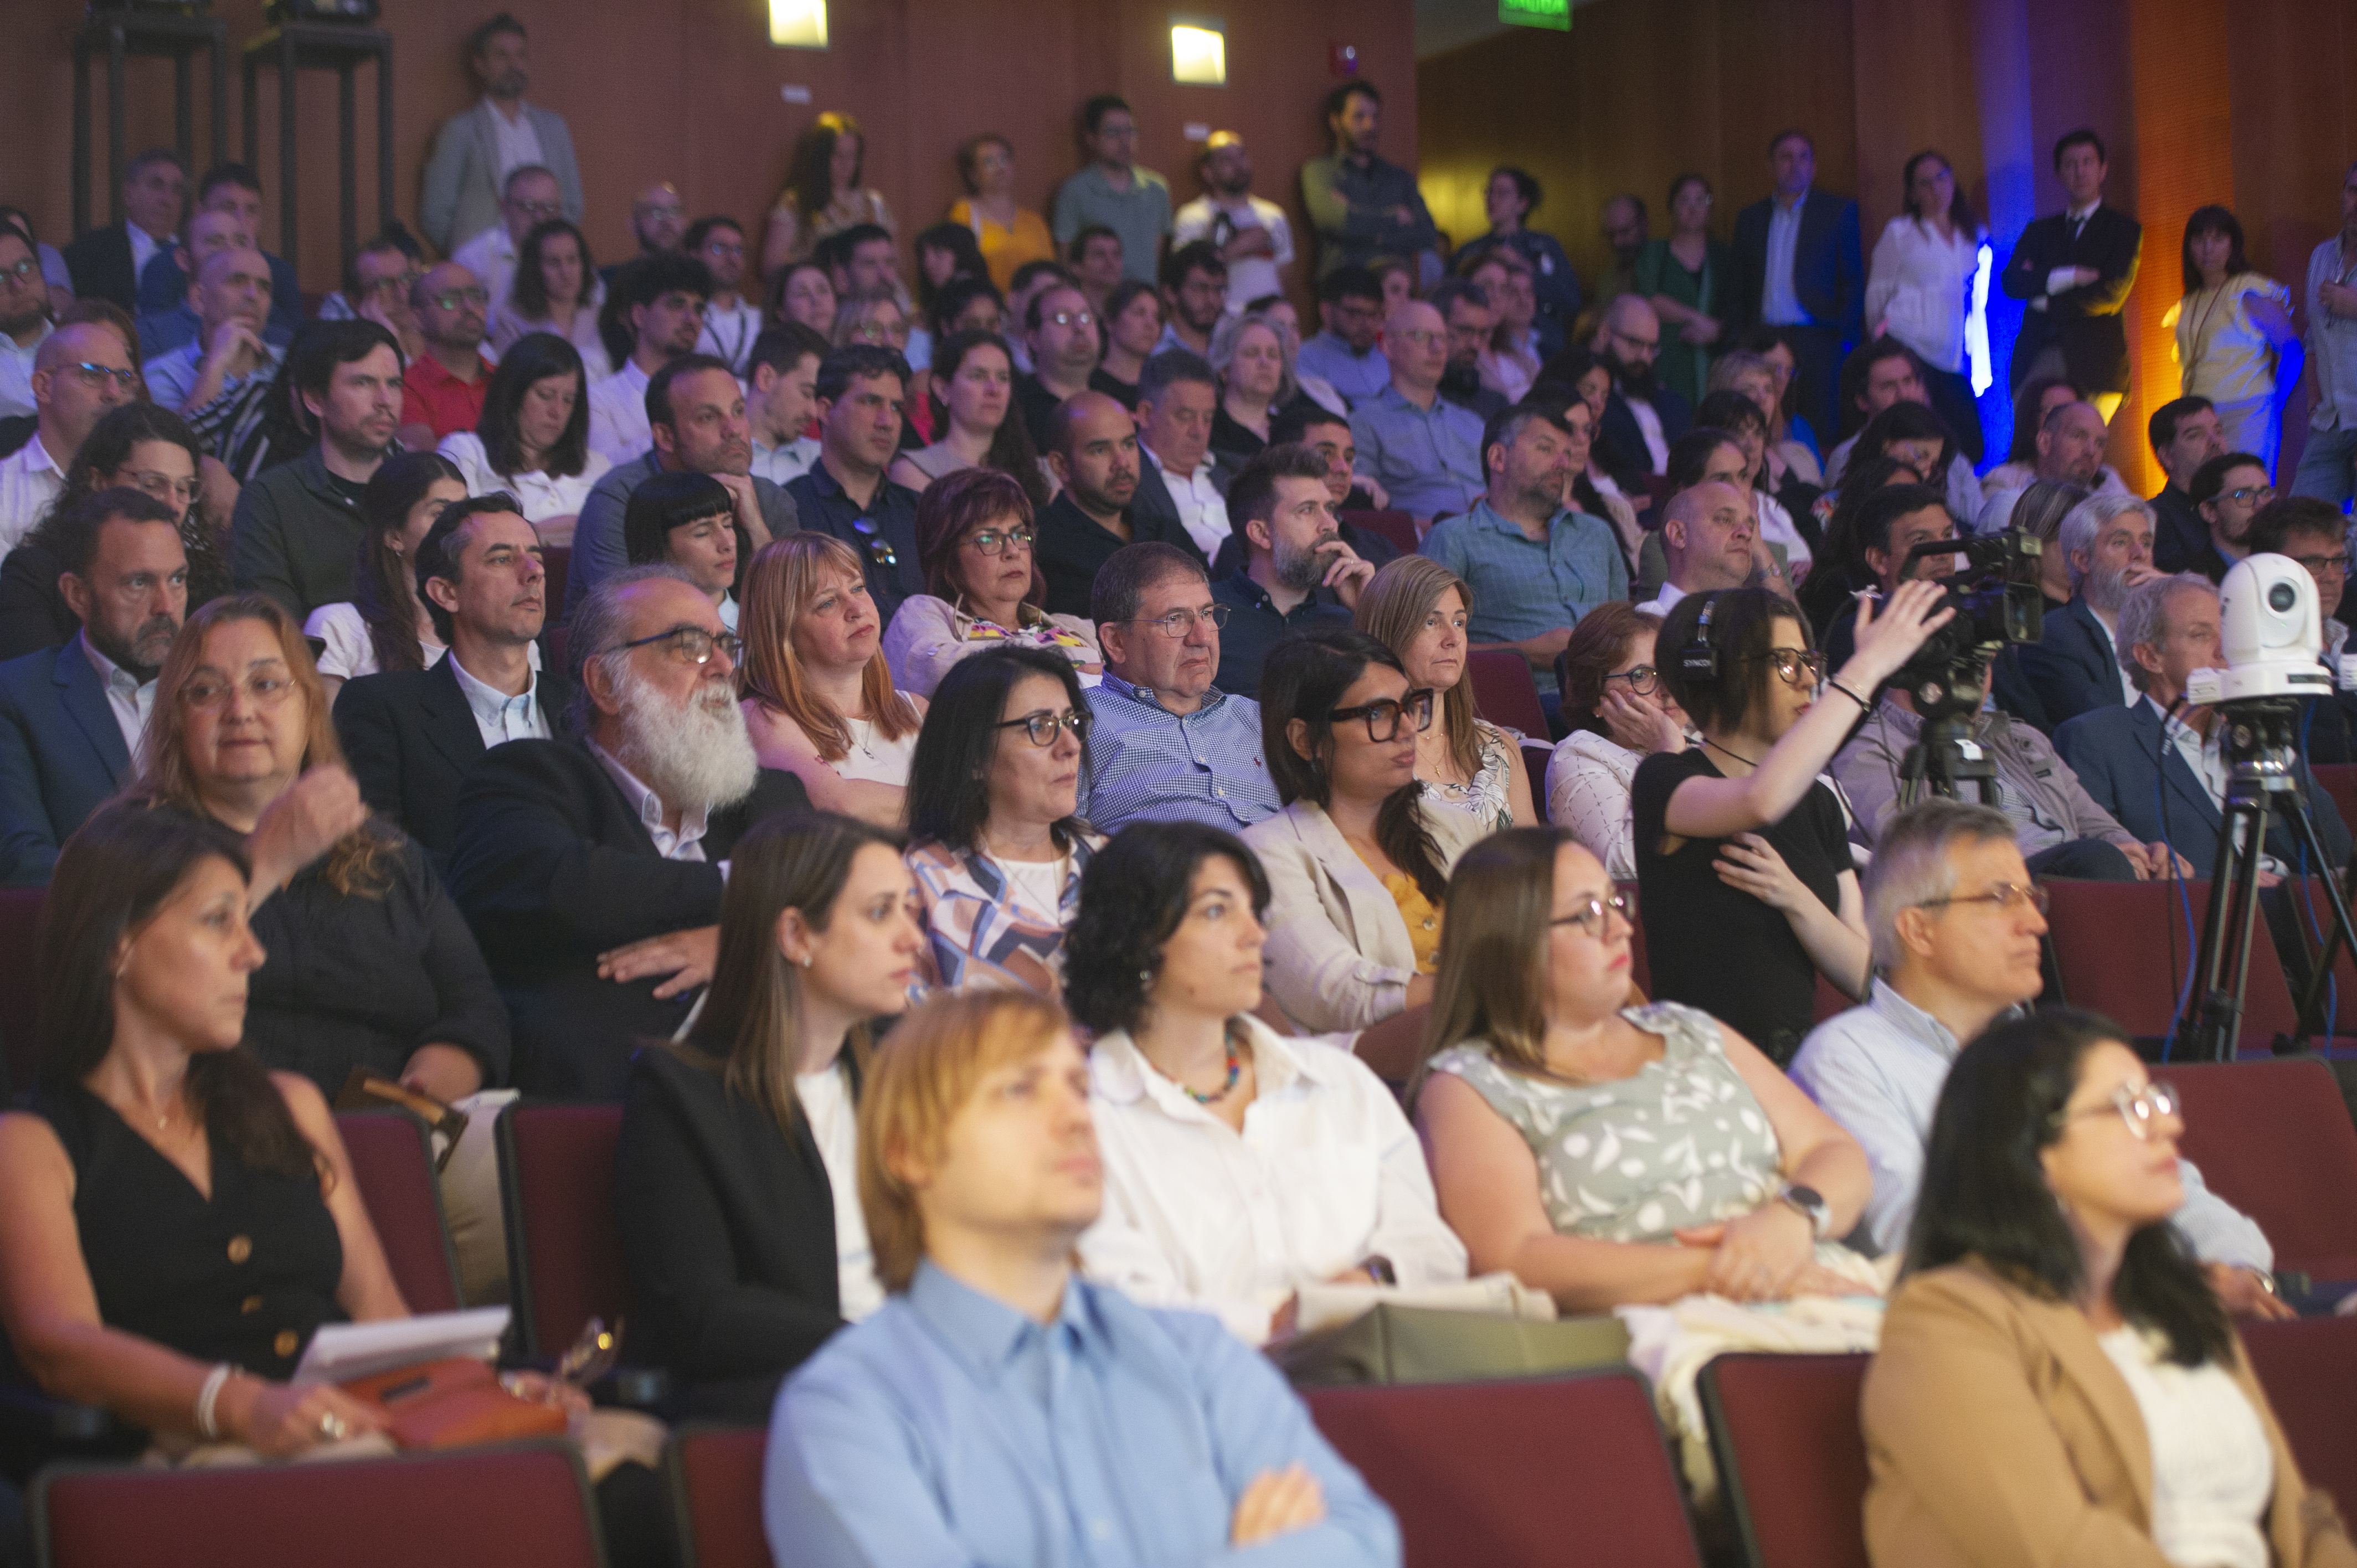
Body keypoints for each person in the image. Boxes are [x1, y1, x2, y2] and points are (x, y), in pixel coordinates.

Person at [761, 986, 1402, 1567]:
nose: (1075, 1117)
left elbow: (1363, 1540)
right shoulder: (847, 1409)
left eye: (1076, 1086)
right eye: (1019, 1089)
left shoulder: (1195, 1354)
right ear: (910, 1151)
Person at [1857, 1009, 2353, 1567]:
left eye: (2158, 1101)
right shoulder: (1946, 1322)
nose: (2167, 1125)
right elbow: (2053, 1548)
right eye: (2128, 1108)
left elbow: (2302, 1515)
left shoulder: (2178, 1303)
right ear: (2034, 1152)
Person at [0, 801, 406, 1458]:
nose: (252, 952)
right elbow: (60, 1349)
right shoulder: (31, 1145)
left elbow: (384, 1321)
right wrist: (241, 1405)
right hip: (182, 1467)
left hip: (350, 1438)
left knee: (592, 1458)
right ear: (118, 945)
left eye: (247, 921)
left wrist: (488, 1396)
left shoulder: (293, 1106)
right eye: (220, 921)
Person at [1789, 802, 2281, 1297]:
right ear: (1919, 929)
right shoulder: (1846, 1058)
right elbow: (1921, 1235)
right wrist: (2158, 1291)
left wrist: (2239, 1272)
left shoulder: (2055, 1049)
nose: (2037, 923)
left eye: (2032, 897)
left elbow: (2177, 1191)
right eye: (2003, 898)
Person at [1413, 827, 1875, 1309]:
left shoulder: (1690, 1028)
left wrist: (1792, 1218)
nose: (1621, 928)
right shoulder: (1469, 1085)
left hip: (1822, 1286)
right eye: (1589, 913)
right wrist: (1735, 1268)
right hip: (1668, 1336)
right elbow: (1515, 1258)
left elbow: (1834, 1150)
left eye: (1614, 905)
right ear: (1511, 942)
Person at [1062, 817, 1464, 1342]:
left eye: (1251, 911)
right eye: (1216, 912)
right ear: (1136, 941)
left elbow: (1433, 1249)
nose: (1254, 934)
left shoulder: (1340, 1084)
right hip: (1200, 1402)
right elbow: (1123, 1302)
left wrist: (1373, 1278)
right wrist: (1281, 1323)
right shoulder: (1085, 1117)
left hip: (1378, 1376)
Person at [126, 590, 508, 1099]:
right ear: (175, 719)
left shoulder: (385, 853)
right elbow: (130, 1006)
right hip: (212, 1128)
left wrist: (424, 1092)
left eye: (265, 685)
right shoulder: (127, 847)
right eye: (206, 692)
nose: (240, 710)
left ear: (309, 708)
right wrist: (268, 855)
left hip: (391, 1137)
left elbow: (476, 1007)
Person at [447, 566, 812, 1097]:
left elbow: (846, 898)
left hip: (783, 1084)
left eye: (725, 645)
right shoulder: (526, 778)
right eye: (690, 646)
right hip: (617, 1097)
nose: (724, 667)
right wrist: (752, 896)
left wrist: (742, 947)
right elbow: (556, 885)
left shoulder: (769, 796)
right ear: (605, 685)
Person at [615, 811, 919, 1421]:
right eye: (881, 912)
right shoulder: (680, 1095)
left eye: (910, 909)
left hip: (918, 1381)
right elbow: (700, 1315)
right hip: (789, 1401)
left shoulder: (894, 1077)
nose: (912, 938)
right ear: (796, 936)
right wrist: (880, 1351)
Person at [1635, 581, 1953, 1062]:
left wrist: (1794, 898)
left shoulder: (1818, 804)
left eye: (1811, 663)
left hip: (1798, 1063)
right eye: (1786, 663)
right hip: (1704, 1065)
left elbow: (1868, 977)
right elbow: (1759, 801)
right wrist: (1864, 670)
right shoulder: (1665, 779)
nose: (1808, 680)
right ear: (1719, 673)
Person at [1239, 628, 1485, 1033]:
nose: (1407, 728)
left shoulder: (1459, 827)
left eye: (1409, 706)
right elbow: (1335, 995)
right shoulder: (1266, 853)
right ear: (1305, 741)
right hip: (1378, 1077)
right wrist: (1500, 990)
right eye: (1377, 713)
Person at [2055, 572, 2352, 878]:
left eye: (2227, 633)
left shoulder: (2255, 734)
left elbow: (2339, 852)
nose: (2223, 650)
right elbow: (2116, 872)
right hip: (2201, 914)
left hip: (2301, 907)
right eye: (2201, 635)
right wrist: (2237, 883)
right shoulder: (2098, 740)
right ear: (2150, 656)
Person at [334, 496, 565, 869]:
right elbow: (378, 855)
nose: (533, 571)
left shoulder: (578, 708)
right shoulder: (384, 709)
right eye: (503, 559)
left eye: (535, 556)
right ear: (446, 593)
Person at [1831, 652, 2177, 883]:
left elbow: (2097, 825)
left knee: (2180, 881)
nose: (1978, 676)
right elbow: (1923, 863)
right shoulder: (1868, 755)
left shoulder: (2021, 738)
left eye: (1984, 662)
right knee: (2097, 863)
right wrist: (2103, 857)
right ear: (1911, 667)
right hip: (2001, 893)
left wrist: (2145, 855)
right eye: (1964, 661)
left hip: (2082, 883)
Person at [0, 488, 185, 886]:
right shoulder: (19, 696)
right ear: (78, 596)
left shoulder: (215, 689)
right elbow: (24, 864)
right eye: (139, 583)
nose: (166, 606)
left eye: (177, 579)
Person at [904, 646, 1103, 994]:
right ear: (974, 757)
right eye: (1041, 727)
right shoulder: (921, 882)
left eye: (1072, 722)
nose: (1071, 745)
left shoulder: (1111, 860)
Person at [1416, 402, 1626, 710]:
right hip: (1517, 704)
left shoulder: (1596, 533)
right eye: (1546, 448)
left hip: (1614, 699)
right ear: (1498, 458)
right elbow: (1421, 647)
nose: (1562, 463)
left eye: (1566, 454)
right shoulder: (1454, 538)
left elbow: (1625, 629)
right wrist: (1525, 653)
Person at [569, 353, 795, 616]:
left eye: (738, 411)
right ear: (665, 437)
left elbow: (796, 614)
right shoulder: (620, 499)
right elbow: (626, 618)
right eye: (708, 417)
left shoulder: (769, 498)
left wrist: (757, 529)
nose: (733, 429)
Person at [1077, 541, 1277, 831]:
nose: (1202, 638)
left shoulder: (1259, 719)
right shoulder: (1079, 724)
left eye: (1207, 614)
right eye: (1175, 619)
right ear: (1116, 642)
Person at [0, 405, 222, 662]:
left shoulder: (206, 585)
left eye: (183, 489)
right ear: (98, 482)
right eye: (152, 484)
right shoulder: (33, 577)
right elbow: (33, 695)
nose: (172, 504)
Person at [739, 534, 925, 826]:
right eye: (827, 603)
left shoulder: (917, 708)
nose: (857, 609)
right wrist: (962, 809)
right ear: (783, 632)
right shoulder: (762, 716)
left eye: (858, 588)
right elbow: (838, 804)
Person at [229, 320, 404, 623]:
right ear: (314, 400)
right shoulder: (270, 500)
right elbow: (276, 628)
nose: (385, 401)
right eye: (363, 383)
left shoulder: (423, 489)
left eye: (394, 384)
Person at [882, 467, 1098, 698]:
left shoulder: (1076, 627)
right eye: (988, 539)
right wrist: (1074, 671)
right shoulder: (922, 614)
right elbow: (947, 673)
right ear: (947, 556)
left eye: (1019, 535)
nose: (1013, 551)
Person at [1727, 131, 1866, 441]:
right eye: (1786, 158)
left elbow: (1853, 280)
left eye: (1804, 158)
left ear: (1814, 167)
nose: (1795, 166)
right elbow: (1737, 286)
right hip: (1763, 337)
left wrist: (1846, 339)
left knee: (1820, 425)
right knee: (1760, 421)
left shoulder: (1835, 212)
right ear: (1771, 167)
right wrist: (1737, 338)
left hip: (1817, 337)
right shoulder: (1750, 218)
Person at [2000, 128, 2143, 422]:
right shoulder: (2039, 231)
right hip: (2038, 354)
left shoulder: (2122, 229)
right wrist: (2072, 276)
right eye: (2070, 164)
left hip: (2096, 362)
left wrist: (2045, 298)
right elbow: (2012, 282)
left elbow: (2110, 294)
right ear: (2058, 173)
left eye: (2088, 162)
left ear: (2103, 170)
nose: (2080, 172)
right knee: (2034, 446)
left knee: (2084, 451)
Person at [1205, 445, 1369, 700]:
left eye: (1329, 509)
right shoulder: (1206, 615)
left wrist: (1371, 610)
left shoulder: (1350, 622)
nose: (1330, 524)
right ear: (1261, 533)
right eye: (1307, 510)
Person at [776, 345, 924, 627]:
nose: (887, 421)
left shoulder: (922, 511)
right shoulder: (789, 509)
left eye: (896, 407)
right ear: (825, 410)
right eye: (871, 402)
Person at [303, 452, 467, 697]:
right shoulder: (339, 627)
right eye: (440, 514)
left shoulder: (488, 626)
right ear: (394, 537)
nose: (460, 529)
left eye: (466, 514)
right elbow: (327, 733)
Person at [1862, 150, 1988, 462]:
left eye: (1941, 177)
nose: (1935, 188)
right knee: (1917, 436)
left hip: (1954, 356)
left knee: (1970, 446)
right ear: (1912, 193)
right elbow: (1877, 294)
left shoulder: (1972, 235)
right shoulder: (1900, 233)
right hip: (1910, 347)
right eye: (1925, 183)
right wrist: (1884, 348)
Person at [420, 13, 581, 255]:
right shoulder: (461, 130)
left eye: (521, 55)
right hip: (486, 270)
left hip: (544, 264)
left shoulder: (554, 128)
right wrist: (472, 257)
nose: (514, 64)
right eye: (501, 56)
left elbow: (572, 204)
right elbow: (435, 213)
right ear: (480, 64)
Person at [1033, 391, 1204, 617]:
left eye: (1128, 444)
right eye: (1100, 450)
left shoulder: (1167, 533)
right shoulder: (1039, 543)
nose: (1122, 463)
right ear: (1061, 466)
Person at [1542, 606, 1683, 877]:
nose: (1667, 689)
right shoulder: (1580, 756)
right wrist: (1669, 756)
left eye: (1671, 669)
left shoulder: (1704, 743)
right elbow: (1623, 867)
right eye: (1642, 675)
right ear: (1596, 696)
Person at [438, 331, 609, 544]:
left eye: (568, 400)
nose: (557, 411)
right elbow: (459, 539)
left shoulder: (599, 466)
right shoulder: (466, 451)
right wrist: (535, 534)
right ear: (513, 394)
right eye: (545, 395)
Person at [2165, 206, 2295, 474]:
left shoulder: (2248, 290)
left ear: (2233, 245)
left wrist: (2275, 401)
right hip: (2198, 417)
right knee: (2206, 500)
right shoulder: (2189, 301)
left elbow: (2292, 351)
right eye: (2199, 239)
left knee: (2245, 494)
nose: (2208, 248)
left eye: (2218, 239)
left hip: (2246, 414)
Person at [2016, 491, 2159, 728]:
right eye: (2121, 542)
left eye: (2146, 543)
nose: (2140, 554)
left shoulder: (2164, 631)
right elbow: (2109, 733)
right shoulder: (2055, 636)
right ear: (2082, 560)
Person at [0, 324, 138, 546]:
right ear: (44, 386)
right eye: (93, 374)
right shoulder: (4, 493)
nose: (114, 393)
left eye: (123, 379)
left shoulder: (150, 483)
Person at [1820, 337, 1983, 522]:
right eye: (1889, 386)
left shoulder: (1950, 453)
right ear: (1862, 401)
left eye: (1908, 381)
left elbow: (1980, 523)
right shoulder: (1846, 456)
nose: (1903, 394)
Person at [1350, 302, 1484, 521]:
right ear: (1388, 345)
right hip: (1422, 544)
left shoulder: (1473, 423)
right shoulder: (1364, 423)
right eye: (1422, 336)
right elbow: (1362, 507)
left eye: (1444, 338)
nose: (1438, 348)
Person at [888, 330, 1047, 512]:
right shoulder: (914, 472)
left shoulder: (1042, 474)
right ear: (942, 389)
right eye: (978, 376)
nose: (994, 390)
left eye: (1003, 378)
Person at [1299, 81, 1438, 285]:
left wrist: (1356, 217)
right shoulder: (1319, 172)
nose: (1370, 126)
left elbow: (1427, 234)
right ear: (1335, 122)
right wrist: (1395, 217)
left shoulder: (1398, 177)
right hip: (1346, 291)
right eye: (1359, 117)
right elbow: (1334, 222)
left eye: (1375, 117)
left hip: (1396, 293)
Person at [586, 252, 711, 465]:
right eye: (677, 304)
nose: (692, 319)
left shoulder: (714, 391)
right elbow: (602, 474)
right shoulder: (600, 400)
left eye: (698, 309)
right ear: (639, 316)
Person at [140, 246, 280, 427]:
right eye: (237, 281)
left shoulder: (291, 364)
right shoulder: (163, 373)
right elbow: (179, 445)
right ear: (199, 298)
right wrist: (215, 365)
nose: (253, 295)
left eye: (264, 287)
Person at [1454, 167, 1580, 359]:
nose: (1492, 199)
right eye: (1489, 191)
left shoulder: (1544, 245)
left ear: (1523, 204)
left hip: (1545, 342)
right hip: (1487, 343)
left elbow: (1571, 300)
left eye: (1502, 193)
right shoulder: (1471, 251)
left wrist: (1526, 268)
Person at [1633, 174, 1733, 411]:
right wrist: (1698, 320)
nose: (1693, 208)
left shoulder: (1724, 256)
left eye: (1701, 201)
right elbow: (1648, 298)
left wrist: (1718, 330)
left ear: (1710, 208)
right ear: (1672, 207)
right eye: (1685, 201)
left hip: (1714, 362)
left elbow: (1737, 304)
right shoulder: (1654, 252)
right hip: (1667, 361)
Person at [1050, 96, 1171, 286]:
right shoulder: (1075, 191)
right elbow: (1067, 260)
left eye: (1130, 131)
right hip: (1098, 305)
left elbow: (1157, 254)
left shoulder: (1157, 189)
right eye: (1113, 132)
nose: (1124, 140)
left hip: (1145, 300)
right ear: (1091, 138)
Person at [2292, 159, 2357, 509]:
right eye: (2353, 191)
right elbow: (2313, 338)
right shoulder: (2321, 256)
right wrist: (2313, 402)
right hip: (2329, 423)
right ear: (2342, 196)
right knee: (2299, 525)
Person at [1171, 132, 1295, 314]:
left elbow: (1286, 275)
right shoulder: (1193, 217)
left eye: (1242, 156)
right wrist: (1239, 247)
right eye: (1227, 160)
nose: (1239, 165)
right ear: (1208, 172)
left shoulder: (1273, 215)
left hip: (1269, 322)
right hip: (1222, 321)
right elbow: (1182, 278)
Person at [760, 111, 892, 278]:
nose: (846, 164)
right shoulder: (797, 202)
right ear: (821, 157)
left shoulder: (874, 203)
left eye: (852, 156)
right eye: (838, 155)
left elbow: (896, 259)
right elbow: (771, 265)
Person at [1130, 349, 1230, 564]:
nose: (1199, 431)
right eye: (1186, 417)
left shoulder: (1233, 471)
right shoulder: (1128, 479)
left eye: (1208, 418)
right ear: (1146, 414)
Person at [59, 148, 187, 310]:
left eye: (177, 190)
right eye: (156, 186)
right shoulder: (87, 253)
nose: (167, 200)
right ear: (128, 195)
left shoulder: (195, 252)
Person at [452, 164, 564, 345]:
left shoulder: (571, 256)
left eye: (549, 207)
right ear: (504, 208)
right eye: (528, 206)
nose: (540, 217)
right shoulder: (474, 258)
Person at [487, 217, 610, 380]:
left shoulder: (600, 314)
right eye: (554, 263)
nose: (565, 272)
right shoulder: (511, 320)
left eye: (572, 260)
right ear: (535, 270)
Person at [1593, 295, 1692, 490]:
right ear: (1605, 334)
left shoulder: (1672, 404)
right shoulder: (1594, 403)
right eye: (1634, 343)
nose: (1644, 356)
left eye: (1651, 347)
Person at [1973, 397, 2112, 534]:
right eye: (2078, 436)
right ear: (2045, 442)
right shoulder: (2009, 507)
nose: (2091, 451)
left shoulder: (2106, 518)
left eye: (2100, 443)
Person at [624, 471, 742, 629]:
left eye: (727, 525)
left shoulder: (757, 625)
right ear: (660, 546)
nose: (727, 544)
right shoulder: (638, 632)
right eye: (702, 533)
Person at [395, 264, 495, 450]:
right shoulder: (405, 387)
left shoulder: (508, 378)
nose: (469, 307)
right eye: (451, 299)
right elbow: (429, 463)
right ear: (418, 318)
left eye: (476, 296)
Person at [945, 133, 1054, 294]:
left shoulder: (1034, 221)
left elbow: (1050, 272)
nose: (1000, 167)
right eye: (989, 162)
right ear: (973, 175)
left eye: (1004, 159)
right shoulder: (964, 213)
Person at [2144, 395, 2227, 575]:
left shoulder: (2236, 504)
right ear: (2167, 455)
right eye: (2196, 435)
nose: (2215, 441)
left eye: (2218, 431)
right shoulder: (2154, 519)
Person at [1295, 266, 1390, 412]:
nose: (1368, 324)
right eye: (1355, 313)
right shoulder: (1305, 359)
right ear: (1326, 311)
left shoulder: (1390, 355)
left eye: (1374, 314)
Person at [744, 322, 827, 488]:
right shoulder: (719, 457)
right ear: (766, 378)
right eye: (806, 393)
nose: (814, 412)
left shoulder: (824, 460)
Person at [1207, 311, 1290, 466]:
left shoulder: (1291, 432)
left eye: (1273, 355)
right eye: (1252, 353)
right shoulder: (1209, 430)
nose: (1265, 362)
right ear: (1225, 370)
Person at [680, 216, 760, 376]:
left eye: (738, 250)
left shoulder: (761, 319)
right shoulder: (683, 317)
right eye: (719, 248)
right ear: (694, 255)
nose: (732, 258)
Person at [2184, 449, 2274, 584]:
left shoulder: (2287, 562)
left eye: (2266, 492)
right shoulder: (2193, 580)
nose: (2260, 504)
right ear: (2209, 511)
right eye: (2243, 495)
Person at [1091, 279, 1162, 410]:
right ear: (1110, 322)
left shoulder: (1162, 387)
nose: (1151, 324)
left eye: (1156, 317)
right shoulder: (1090, 385)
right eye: (1140, 313)